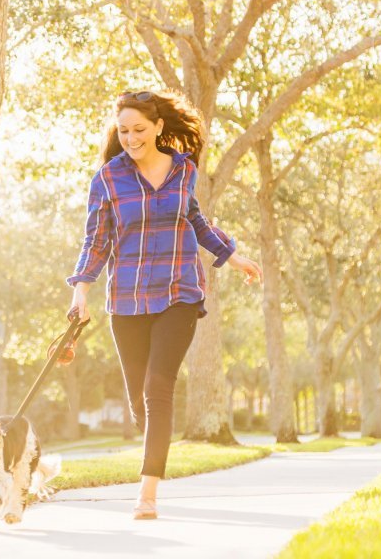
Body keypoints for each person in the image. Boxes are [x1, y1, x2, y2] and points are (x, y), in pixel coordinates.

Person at [66, 90, 263, 520]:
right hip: (128, 299)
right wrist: (80, 290)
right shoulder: (108, 179)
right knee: (140, 401)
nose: (132, 138)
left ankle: (147, 493)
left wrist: (233, 255)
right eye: (124, 131)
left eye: (139, 129)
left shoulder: (183, 170)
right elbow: (96, 242)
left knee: (159, 390)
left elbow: (195, 220)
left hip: (179, 292)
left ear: (158, 127)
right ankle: (153, 442)